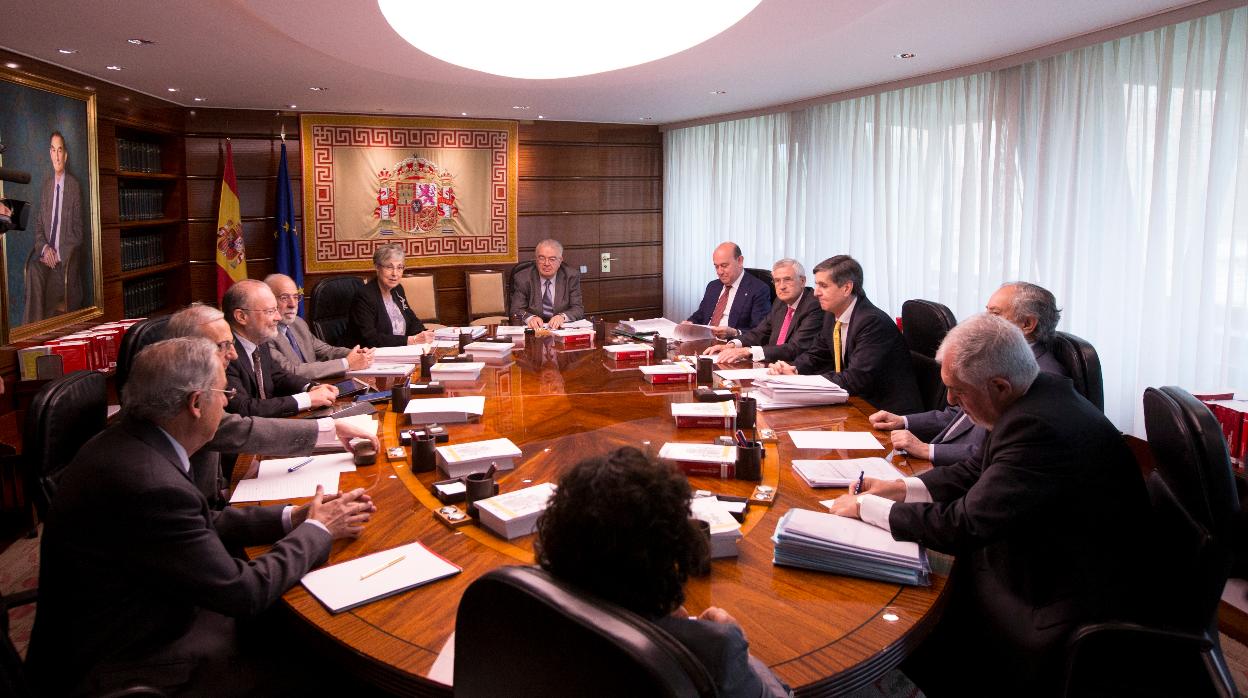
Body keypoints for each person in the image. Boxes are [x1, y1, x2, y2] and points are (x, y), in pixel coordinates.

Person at [26, 337, 376, 696]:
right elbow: (244, 592)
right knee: (330, 663)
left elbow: (198, 520)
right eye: (223, 393)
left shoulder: (130, 440)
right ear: (195, 403)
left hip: (138, 611)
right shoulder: (149, 483)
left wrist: (292, 517)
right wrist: (319, 530)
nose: (227, 402)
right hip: (137, 661)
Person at [825, 313, 1148, 695]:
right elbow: (973, 470)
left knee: (922, 600)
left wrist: (868, 510)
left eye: (958, 391)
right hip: (1041, 545)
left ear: (998, 385)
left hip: (1060, 588)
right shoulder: (1033, 394)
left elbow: (966, 524)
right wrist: (897, 488)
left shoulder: (1038, 428)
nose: (950, 401)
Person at [536, 446, 790, 698]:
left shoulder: (531, 610)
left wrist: (657, 619)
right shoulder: (716, 648)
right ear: (674, 548)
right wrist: (742, 652)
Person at [164, 303, 379, 505]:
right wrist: (328, 428)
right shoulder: (183, 401)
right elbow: (238, 427)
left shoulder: (197, 384)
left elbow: (277, 379)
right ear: (189, 351)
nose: (233, 353)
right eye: (224, 346)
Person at [868, 281, 1069, 465]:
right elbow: (959, 414)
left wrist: (929, 450)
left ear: (1027, 325)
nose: (985, 321)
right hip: (943, 465)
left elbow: (1002, 452)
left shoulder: (1040, 380)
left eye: (995, 314)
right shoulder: (998, 359)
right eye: (987, 312)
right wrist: (903, 421)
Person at [770, 255, 921, 414]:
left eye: (823, 285)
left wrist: (801, 382)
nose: (815, 293)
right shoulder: (832, 314)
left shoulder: (872, 322)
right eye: (816, 285)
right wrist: (793, 369)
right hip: (855, 402)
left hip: (885, 412)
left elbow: (855, 378)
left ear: (847, 288)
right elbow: (817, 355)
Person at [222, 279, 338, 418]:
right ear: (241, 316)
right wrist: (307, 399)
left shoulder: (259, 340)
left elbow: (277, 376)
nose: (278, 317)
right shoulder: (224, 354)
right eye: (270, 311)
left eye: (276, 309)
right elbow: (243, 408)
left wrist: (311, 387)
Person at [703, 258, 822, 364]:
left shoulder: (814, 305)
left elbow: (795, 348)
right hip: (771, 366)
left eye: (787, 279)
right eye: (777, 281)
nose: (781, 286)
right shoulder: (780, 302)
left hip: (797, 370)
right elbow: (760, 333)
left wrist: (748, 351)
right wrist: (733, 345)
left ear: (802, 281)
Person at [264, 273, 373, 381]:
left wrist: (358, 354)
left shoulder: (298, 323)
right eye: (284, 298)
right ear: (268, 301)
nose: (292, 304)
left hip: (318, 387)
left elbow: (326, 351)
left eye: (296, 297)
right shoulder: (264, 334)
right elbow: (292, 371)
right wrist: (347, 363)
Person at [24, 131, 84, 323]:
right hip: (45, 260)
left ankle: (35, 335)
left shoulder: (74, 187)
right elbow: (39, 226)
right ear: (50, 153)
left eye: (60, 151)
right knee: (33, 270)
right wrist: (45, 249)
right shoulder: (47, 187)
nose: (57, 156)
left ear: (65, 156)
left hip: (64, 264)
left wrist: (57, 254)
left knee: (47, 293)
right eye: (53, 150)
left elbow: (78, 233)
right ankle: (31, 334)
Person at [347, 243, 435, 347]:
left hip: (399, 350)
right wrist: (410, 340)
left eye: (399, 267)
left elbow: (411, 319)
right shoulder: (365, 296)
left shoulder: (397, 289)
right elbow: (370, 339)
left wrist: (425, 334)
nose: (395, 273)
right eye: (389, 267)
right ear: (377, 267)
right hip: (370, 355)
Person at [685, 242, 771, 336]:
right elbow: (701, 315)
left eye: (724, 266)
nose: (719, 272)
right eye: (716, 266)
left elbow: (760, 331)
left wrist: (735, 333)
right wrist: (690, 323)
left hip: (731, 345)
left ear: (739, 261)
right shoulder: (713, 286)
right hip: (704, 340)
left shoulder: (758, 289)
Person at [509, 238, 584, 330]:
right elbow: (516, 309)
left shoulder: (571, 276)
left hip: (560, 330)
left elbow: (578, 309)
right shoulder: (523, 277)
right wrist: (530, 318)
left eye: (552, 259)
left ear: (560, 260)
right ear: (536, 259)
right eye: (542, 258)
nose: (546, 263)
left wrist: (562, 317)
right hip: (533, 331)